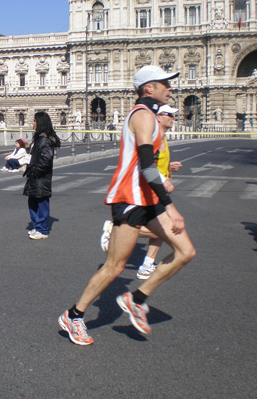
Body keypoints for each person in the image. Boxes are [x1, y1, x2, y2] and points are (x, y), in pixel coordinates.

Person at [58, 65, 196, 345]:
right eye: (164, 84)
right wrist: (171, 207)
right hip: (130, 198)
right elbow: (146, 166)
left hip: (148, 197)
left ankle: (137, 298)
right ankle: (74, 315)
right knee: (115, 267)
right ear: (149, 88)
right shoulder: (143, 116)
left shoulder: (152, 116)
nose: (170, 88)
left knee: (185, 251)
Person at [100, 104, 183, 280]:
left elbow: (157, 163)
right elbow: (145, 164)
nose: (172, 118)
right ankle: (114, 229)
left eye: (173, 115)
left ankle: (147, 264)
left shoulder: (162, 137)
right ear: (158, 117)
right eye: (169, 114)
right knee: (166, 230)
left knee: (162, 229)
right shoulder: (154, 137)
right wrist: (163, 180)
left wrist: (168, 168)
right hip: (148, 189)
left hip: (155, 188)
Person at [23, 112, 61, 240]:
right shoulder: (38, 138)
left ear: (40, 123)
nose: (32, 123)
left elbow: (46, 159)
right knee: (33, 201)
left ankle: (43, 230)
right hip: (34, 176)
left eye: (34, 121)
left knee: (41, 203)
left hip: (40, 177)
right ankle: (37, 226)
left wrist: (35, 171)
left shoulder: (44, 140)